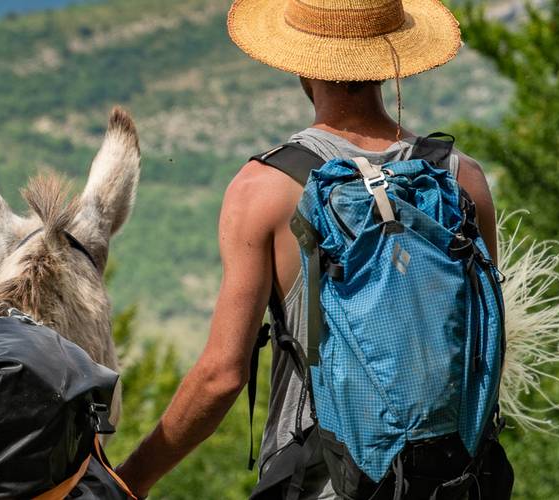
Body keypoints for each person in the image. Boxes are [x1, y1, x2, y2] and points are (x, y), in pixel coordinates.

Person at [116, 0, 499, 497]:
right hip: (455, 479)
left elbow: (221, 376)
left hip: (320, 479)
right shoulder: (462, 178)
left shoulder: (265, 188)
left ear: (302, 63)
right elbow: (484, 344)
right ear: (388, 62)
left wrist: (128, 480)